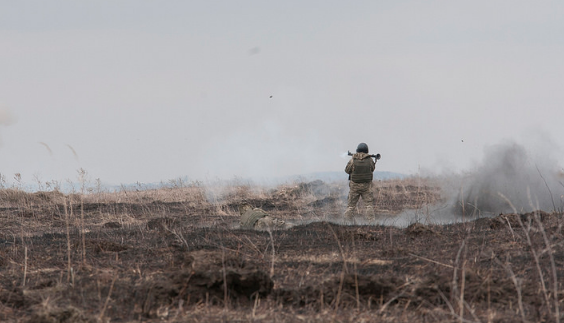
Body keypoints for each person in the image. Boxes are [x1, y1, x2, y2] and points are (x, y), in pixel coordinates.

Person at [344, 143, 377, 220]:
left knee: (351, 206)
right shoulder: (370, 160)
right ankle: (371, 222)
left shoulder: (353, 160)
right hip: (366, 187)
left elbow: (347, 170)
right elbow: (372, 169)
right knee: (369, 206)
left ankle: (346, 223)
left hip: (354, 186)